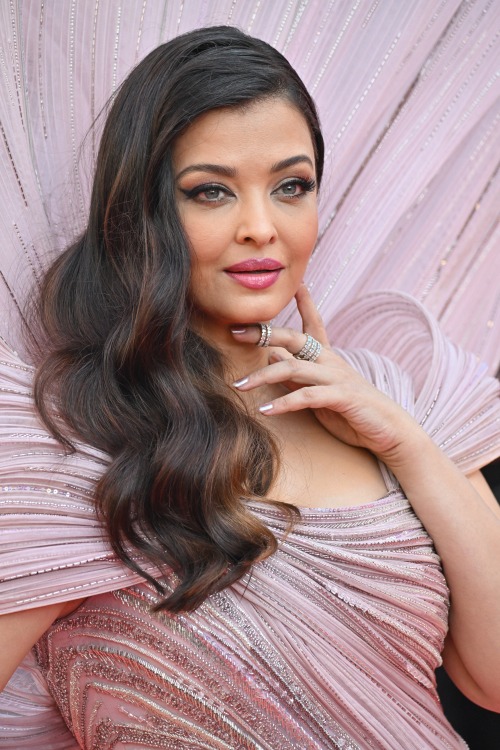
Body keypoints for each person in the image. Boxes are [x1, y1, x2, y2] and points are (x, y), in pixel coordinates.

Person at [0, 25, 499, 750]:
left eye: (291, 186)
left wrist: (406, 443)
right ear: (139, 212)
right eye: (212, 193)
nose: (261, 227)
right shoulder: (69, 440)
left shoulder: (399, 394)